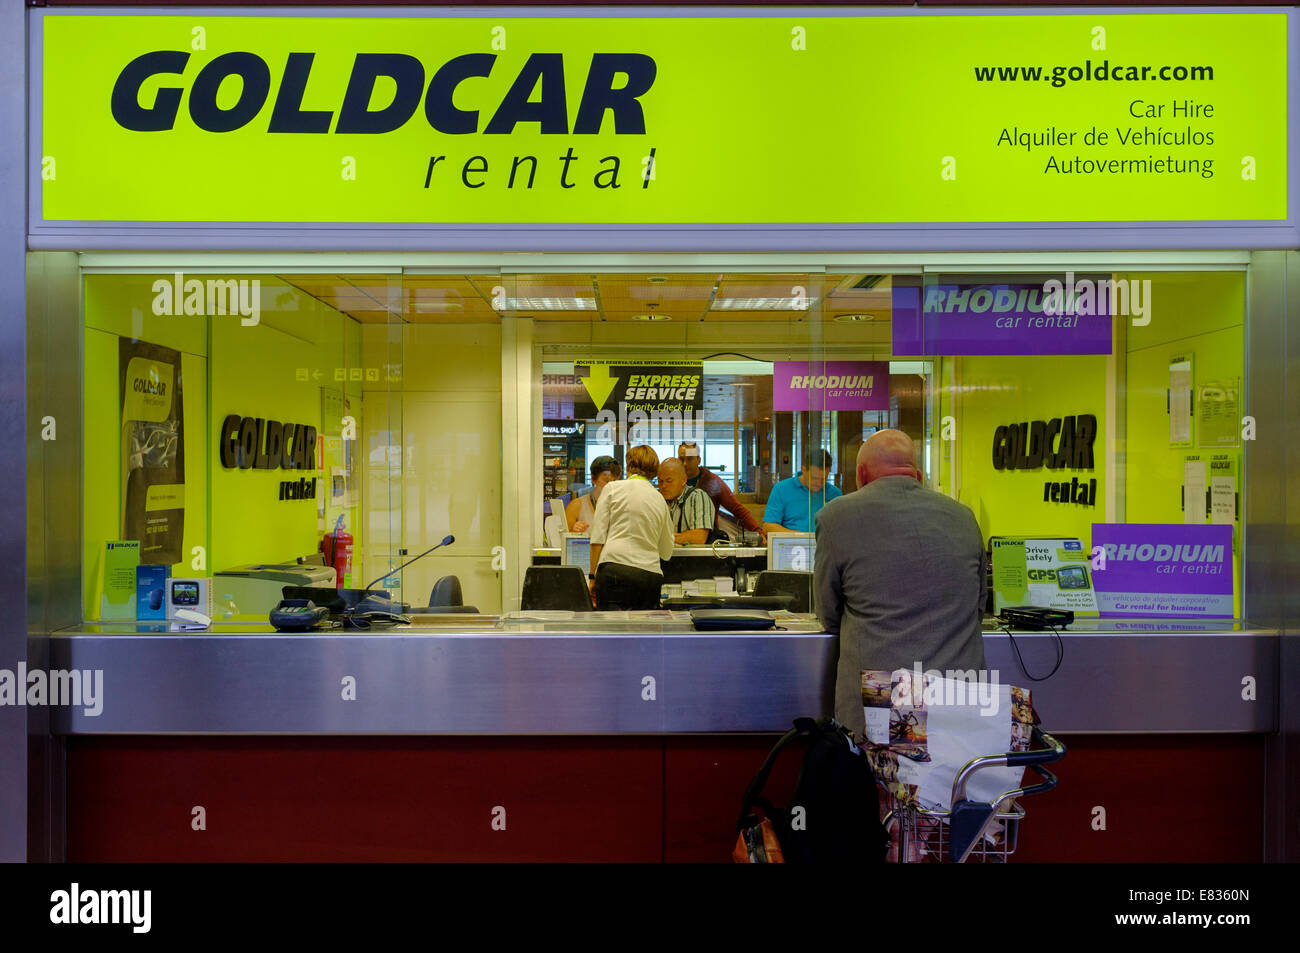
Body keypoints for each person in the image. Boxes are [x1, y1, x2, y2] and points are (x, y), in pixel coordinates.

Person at [812, 429, 987, 739]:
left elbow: (828, 614)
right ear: (917, 474)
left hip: (880, 699)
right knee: (953, 784)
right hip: (959, 694)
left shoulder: (836, 516)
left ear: (861, 474)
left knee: (879, 784)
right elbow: (978, 607)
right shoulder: (964, 516)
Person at [588, 445, 674, 610]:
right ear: (654, 472)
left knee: (612, 629)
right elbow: (666, 552)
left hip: (614, 571)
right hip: (649, 576)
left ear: (627, 467)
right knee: (644, 633)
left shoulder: (612, 489)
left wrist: (592, 577)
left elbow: (597, 538)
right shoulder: (660, 500)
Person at [677, 441, 764, 539]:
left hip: (707, 541)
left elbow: (737, 509)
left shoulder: (712, 482)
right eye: (681, 459)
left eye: (689, 459)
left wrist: (758, 531)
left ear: (698, 460)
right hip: (678, 539)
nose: (684, 463)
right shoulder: (674, 482)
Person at [762, 448, 842, 534]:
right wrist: (799, 538)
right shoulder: (781, 489)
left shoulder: (835, 494)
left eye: (823, 479)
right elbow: (768, 526)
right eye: (814, 478)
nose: (819, 483)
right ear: (804, 470)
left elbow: (842, 527)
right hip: (791, 545)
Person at [658, 457, 716, 545]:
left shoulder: (697, 497)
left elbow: (699, 538)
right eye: (660, 481)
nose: (663, 486)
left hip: (691, 557)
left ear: (683, 480)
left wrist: (663, 539)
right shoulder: (656, 499)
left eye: (669, 481)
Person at [565, 455, 621, 533]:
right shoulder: (577, 506)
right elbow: (564, 539)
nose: (610, 485)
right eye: (606, 481)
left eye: (614, 481)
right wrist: (573, 531)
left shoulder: (621, 505)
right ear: (593, 479)